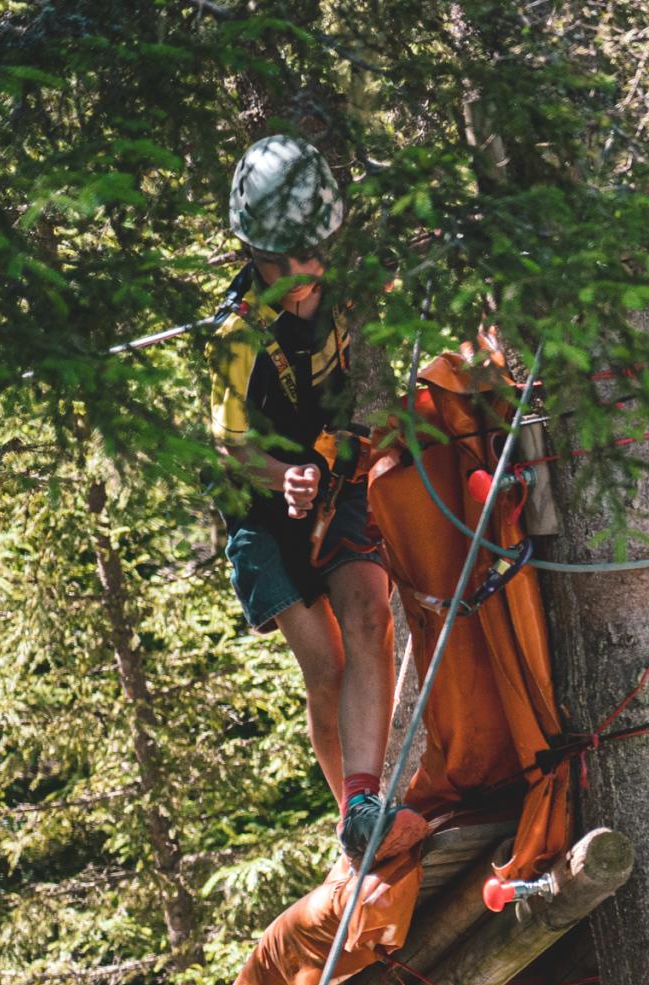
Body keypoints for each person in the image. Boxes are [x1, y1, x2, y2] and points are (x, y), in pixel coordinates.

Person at [213, 135, 421, 862]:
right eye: (278, 262)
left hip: (337, 475)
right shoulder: (237, 334)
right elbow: (229, 446)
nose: (297, 276)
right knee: (326, 667)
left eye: (309, 256)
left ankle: (366, 802)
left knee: (369, 613)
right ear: (252, 254)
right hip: (262, 511)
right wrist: (283, 476)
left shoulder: (351, 292)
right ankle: (351, 822)